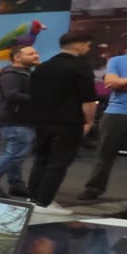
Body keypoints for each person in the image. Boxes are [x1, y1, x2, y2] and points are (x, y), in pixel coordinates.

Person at [26, 30, 98, 211]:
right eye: (88, 45)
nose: (88, 49)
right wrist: (89, 121)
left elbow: (33, 96)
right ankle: (44, 203)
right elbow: (88, 100)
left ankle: (32, 199)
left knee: (41, 159)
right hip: (68, 123)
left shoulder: (43, 67)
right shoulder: (81, 67)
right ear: (80, 44)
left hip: (42, 121)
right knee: (58, 163)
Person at [77, 36, 127, 203]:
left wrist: (124, 83)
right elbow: (111, 83)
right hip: (117, 113)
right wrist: (120, 83)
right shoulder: (117, 61)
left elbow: (118, 83)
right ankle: (93, 188)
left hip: (118, 111)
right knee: (105, 154)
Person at [0, 45, 39, 197]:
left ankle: (16, 184)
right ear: (17, 57)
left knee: (16, 154)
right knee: (15, 153)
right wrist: (39, 98)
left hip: (22, 119)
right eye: (31, 53)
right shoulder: (11, 74)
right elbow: (12, 95)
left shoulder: (24, 73)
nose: (36, 55)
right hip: (16, 119)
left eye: (36, 53)